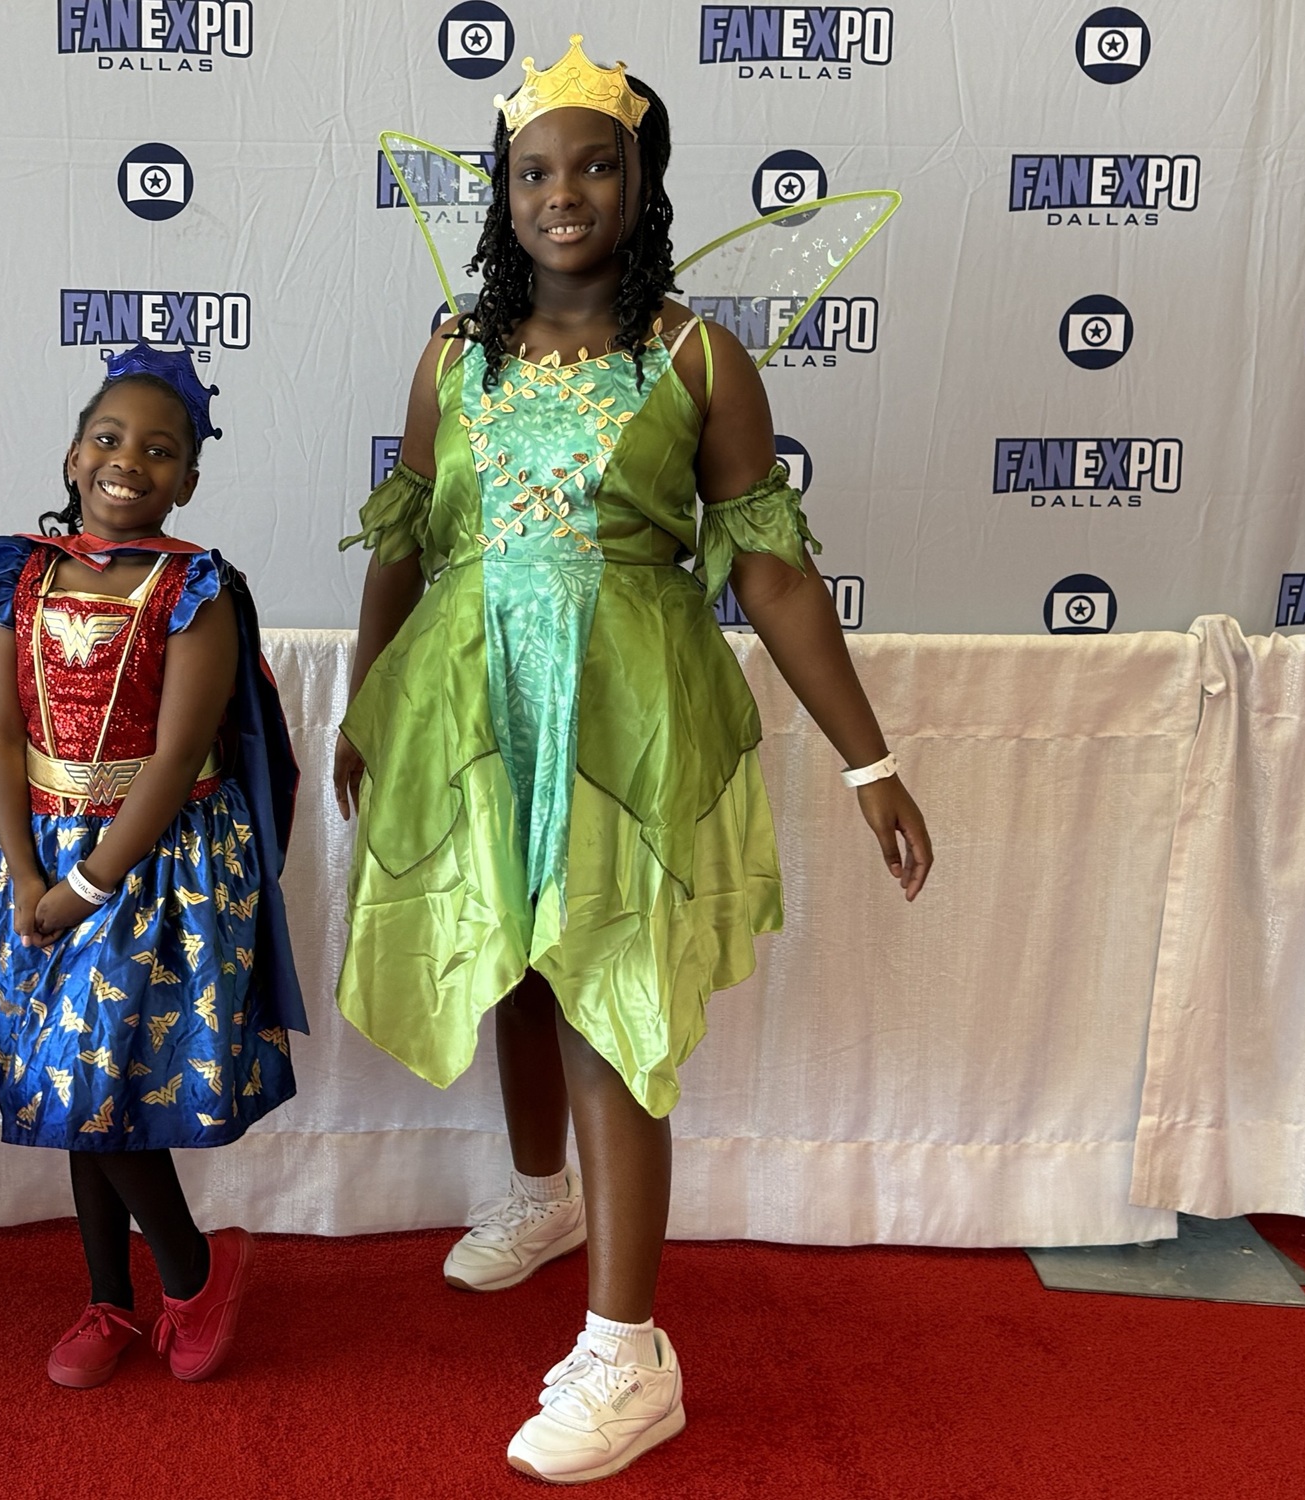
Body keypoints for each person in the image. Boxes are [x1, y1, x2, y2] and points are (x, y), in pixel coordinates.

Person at [335, 39, 933, 1483]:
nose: (562, 194)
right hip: (473, 711)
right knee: (516, 972)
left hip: (625, 712)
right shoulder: (449, 356)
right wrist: (365, 704)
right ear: (501, 194)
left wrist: (869, 766)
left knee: (607, 991)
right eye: (532, 171)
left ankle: (627, 1353)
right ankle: (544, 1197)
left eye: (593, 164)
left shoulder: (696, 359)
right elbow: (407, 539)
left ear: (640, 180)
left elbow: (773, 578)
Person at [0, 343, 306, 1389]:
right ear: (75, 457)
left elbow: (173, 755)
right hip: (41, 856)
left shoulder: (193, 589)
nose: (131, 461)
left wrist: (85, 886)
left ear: (187, 480)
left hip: (151, 865)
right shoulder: (17, 577)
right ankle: (111, 1300)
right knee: (77, 1088)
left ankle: (193, 1274)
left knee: (96, 1080)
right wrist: (28, 877)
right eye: (110, 439)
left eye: (161, 450)